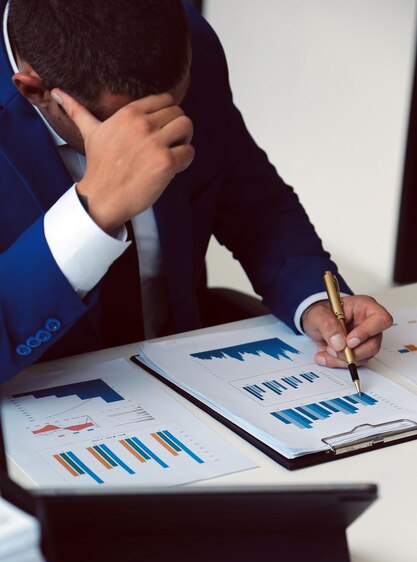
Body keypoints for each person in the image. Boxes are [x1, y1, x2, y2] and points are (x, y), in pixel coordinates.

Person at [0, 0, 392, 387]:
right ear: (34, 90)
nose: (154, 135)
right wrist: (93, 212)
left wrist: (314, 299)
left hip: (186, 377)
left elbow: (251, 200)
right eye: (123, 124)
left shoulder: (187, 38)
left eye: (174, 106)